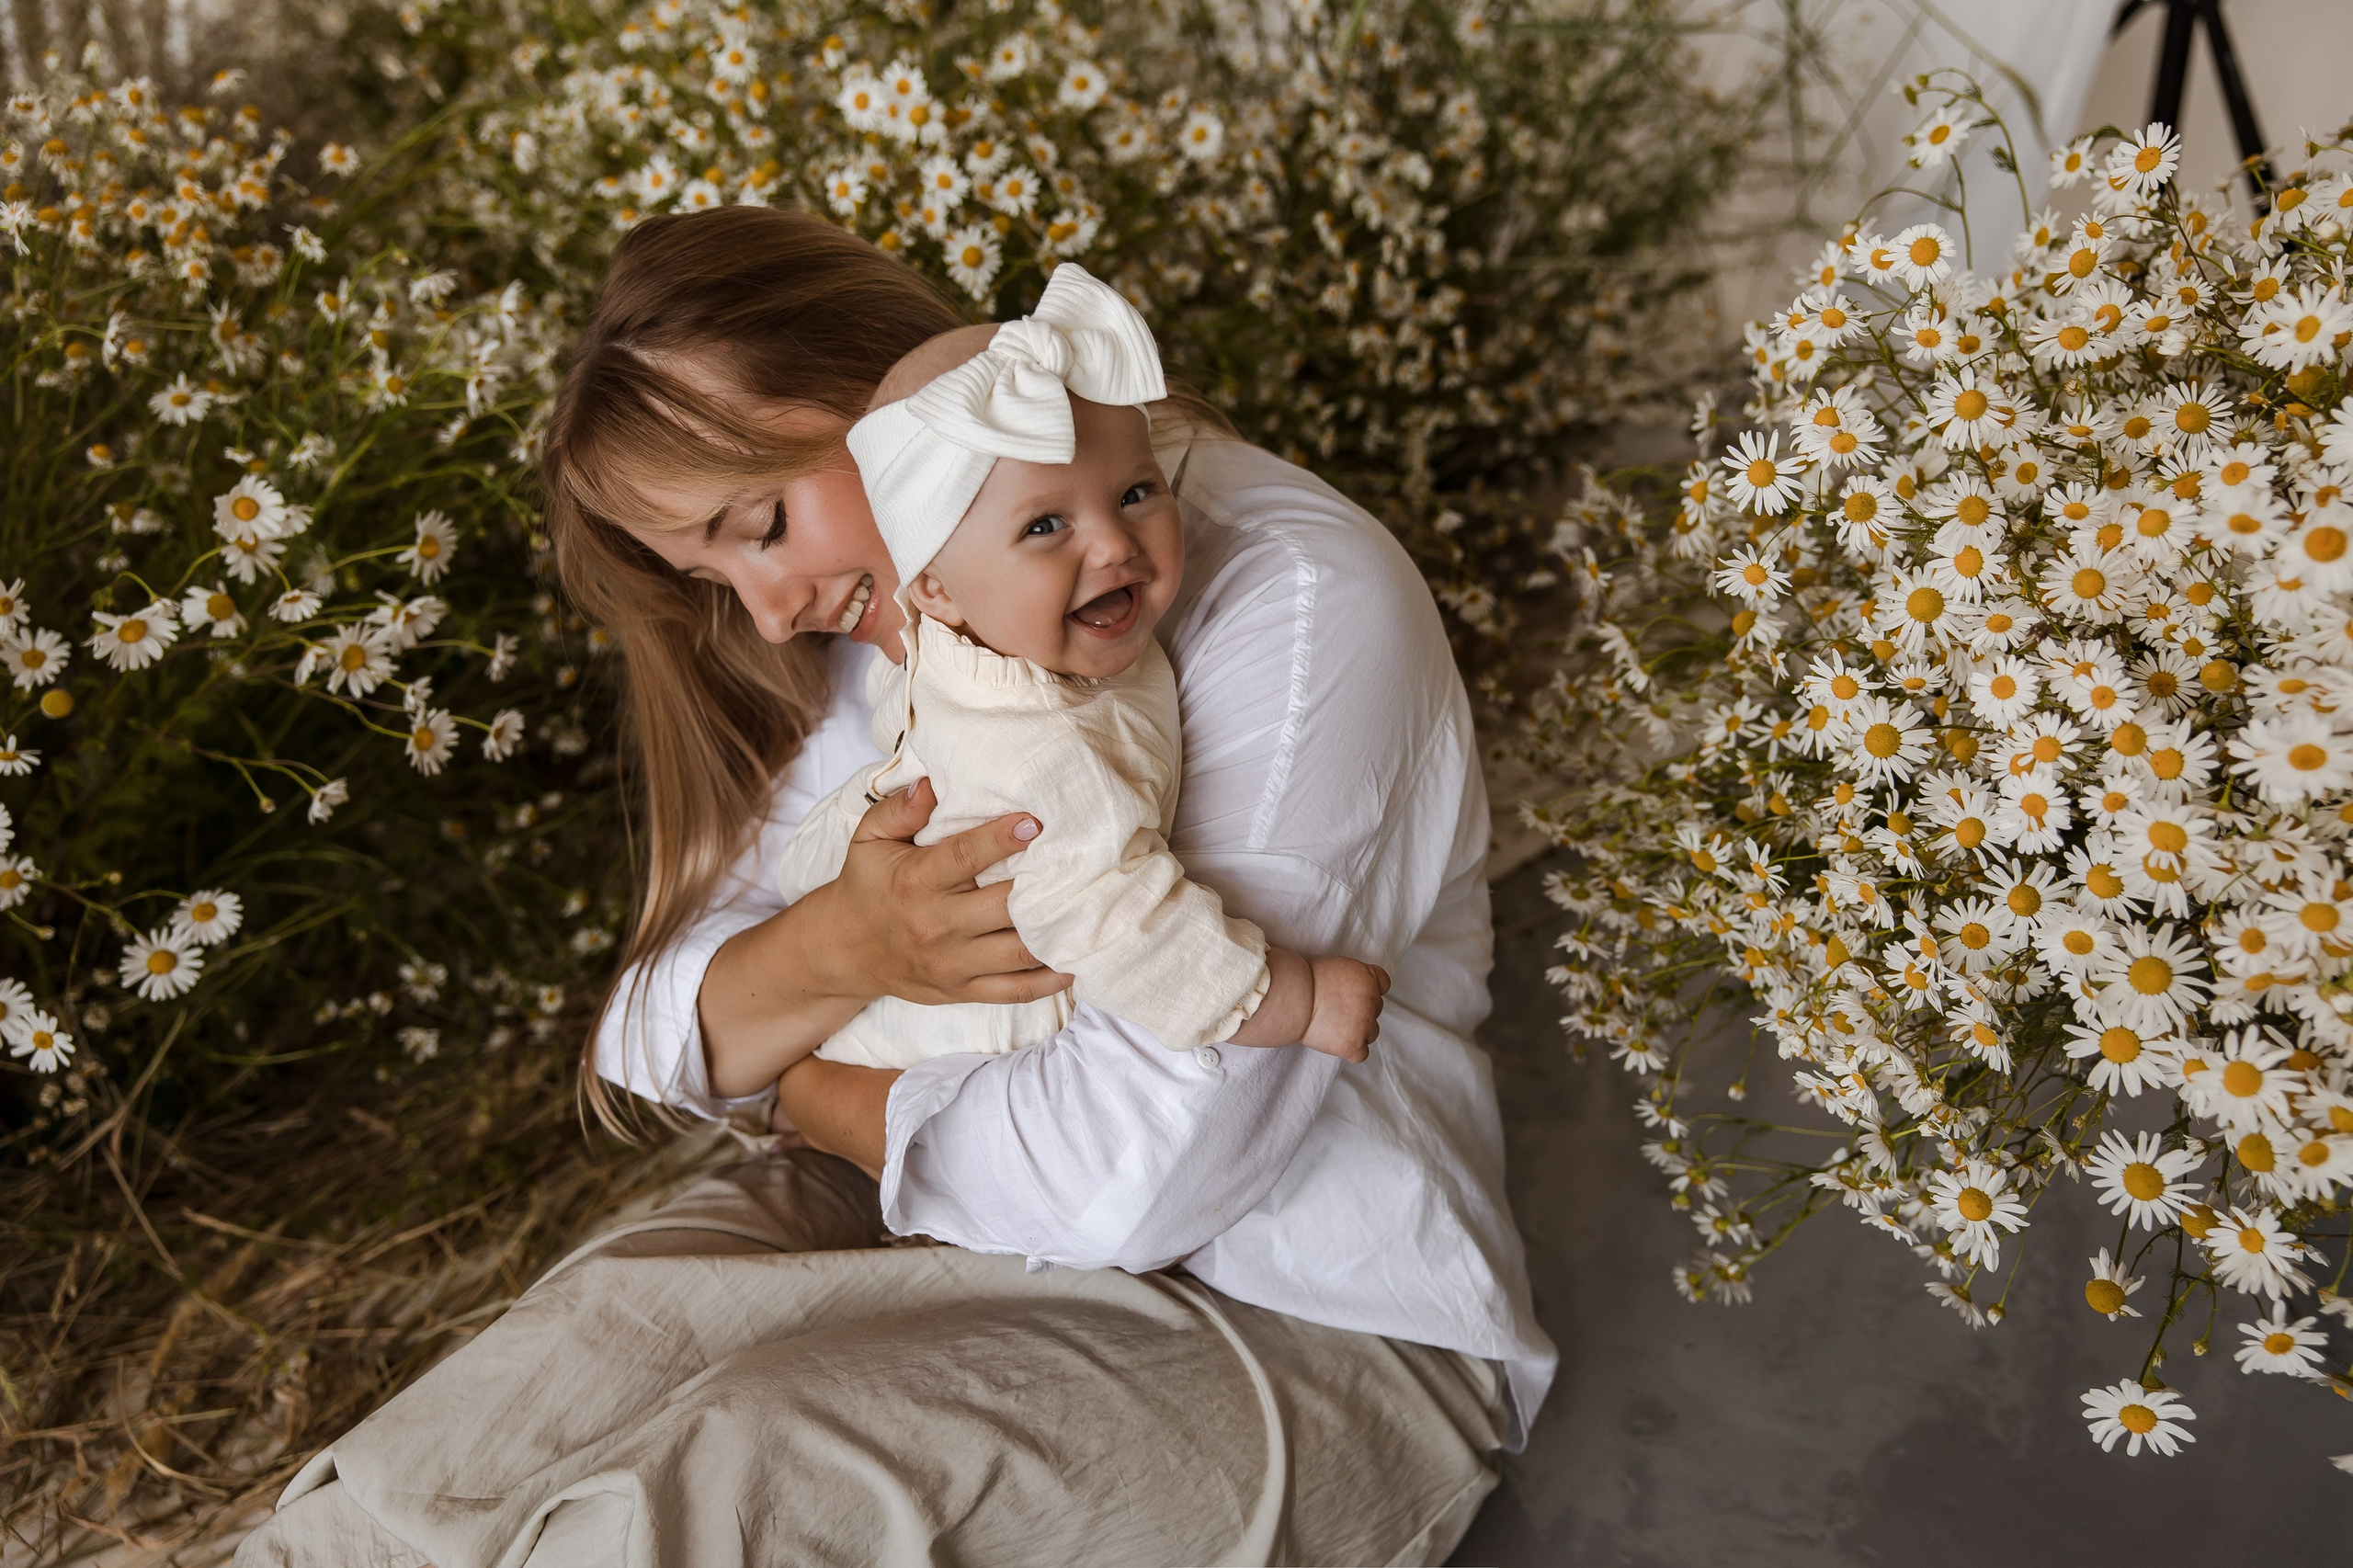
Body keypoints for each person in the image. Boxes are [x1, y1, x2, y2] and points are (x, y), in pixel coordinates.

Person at [234, 204, 1552, 1568]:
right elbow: (652, 1028)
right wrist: (842, 945)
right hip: (934, 1198)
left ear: (894, 393)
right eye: (714, 571)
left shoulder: (1290, 597)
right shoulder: (903, 617)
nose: (768, 608)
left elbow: (1141, 1173)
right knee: (480, 1436)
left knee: (723, 1487)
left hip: (1291, 1301)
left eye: (763, 524)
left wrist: (814, 1080)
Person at [777, 260, 1388, 1071]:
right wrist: (1300, 998)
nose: (1113, 544)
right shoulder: (1048, 760)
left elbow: (908, 694)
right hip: (953, 1016)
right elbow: (1117, 924)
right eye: (1044, 526)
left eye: (1135, 493)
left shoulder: (964, 637)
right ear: (934, 587)